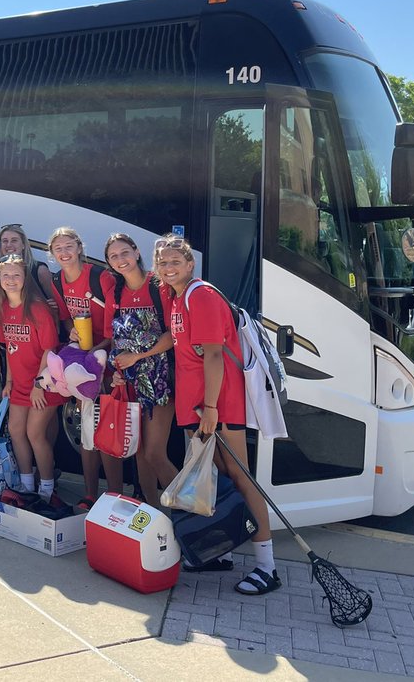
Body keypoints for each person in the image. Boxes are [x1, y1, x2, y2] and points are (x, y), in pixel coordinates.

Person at [155, 233, 279, 595]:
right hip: (196, 405)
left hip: (218, 405)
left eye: (175, 261)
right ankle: (220, 552)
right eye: (162, 262)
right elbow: (178, 341)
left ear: (190, 263)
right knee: (218, 480)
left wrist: (211, 409)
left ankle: (267, 567)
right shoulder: (176, 297)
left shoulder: (201, 295)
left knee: (241, 478)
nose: (168, 267)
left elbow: (213, 354)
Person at [102, 232, 178, 506]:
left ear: (136, 252)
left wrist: (138, 356)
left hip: (162, 381)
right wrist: (118, 370)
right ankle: (151, 511)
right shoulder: (115, 293)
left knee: (155, 453)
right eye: (113, 256)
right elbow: (115, 340)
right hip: (132, 382)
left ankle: (189, 515)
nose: (120, 259)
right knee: (140, 451)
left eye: (125, 252)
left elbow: (173, 335)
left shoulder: (160, 286)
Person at [48, 226, 121, 510]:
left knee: (107, 431)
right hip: (84, 363)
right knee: (87, 428)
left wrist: (98, 352)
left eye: (69, 246)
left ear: (79, 247)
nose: (64, 253)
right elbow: (67, 319)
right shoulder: (57, 280)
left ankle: (114, 497)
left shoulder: (99, 277)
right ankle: (91, 495)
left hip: (108, 361)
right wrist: (74, 335)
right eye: (58, 249)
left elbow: (116, 324)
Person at [0, 255, 63, 502]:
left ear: (25, 278)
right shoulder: (3, 308)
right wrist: (9, 382)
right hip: (20, 385)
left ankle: (46, 488)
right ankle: (26, 484)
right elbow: (10, 349)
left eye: (16, 275)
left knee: (35, 434)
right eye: (6, 275)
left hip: (44, 384)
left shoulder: (37, 308)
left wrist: (38, 384)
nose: (11, 280)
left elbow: (49, 349)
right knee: (16, 431)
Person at [0, 224, 56, 313]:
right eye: (5, 241)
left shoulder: (40, 270)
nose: (9, 245)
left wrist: (52, 307)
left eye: (14, 240)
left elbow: (56, 303)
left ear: (23, 245)